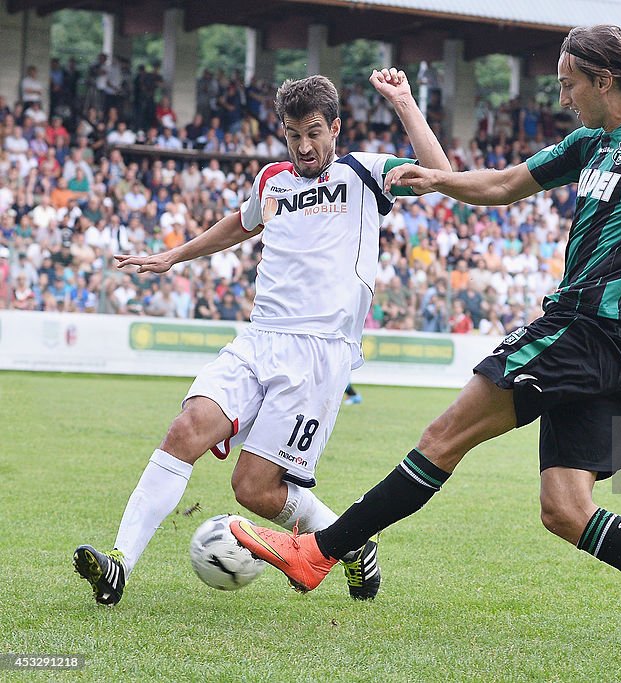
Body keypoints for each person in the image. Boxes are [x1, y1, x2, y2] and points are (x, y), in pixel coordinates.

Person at [231, 25, 621, 662]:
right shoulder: (591, 142)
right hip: (604, 346)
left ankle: (319, 551)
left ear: (604, 80)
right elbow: (500, 186)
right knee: (565, 510)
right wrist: (435, 180)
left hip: (586, 330)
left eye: (569, 83)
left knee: (444, 437)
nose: (564, 95)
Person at [72, 69, 450, 606]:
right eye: (293, 135)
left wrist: (405, 102)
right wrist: (174, 255)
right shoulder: (273, 180)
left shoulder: (365, 173)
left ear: (335, 128)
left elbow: (439, 172)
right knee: (186, 429)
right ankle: (120, 566)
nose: (303, 146)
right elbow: (240, 224)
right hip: (258, 338)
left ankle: (352, 543)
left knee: (253, 489)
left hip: (318, 354)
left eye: (314, 132)